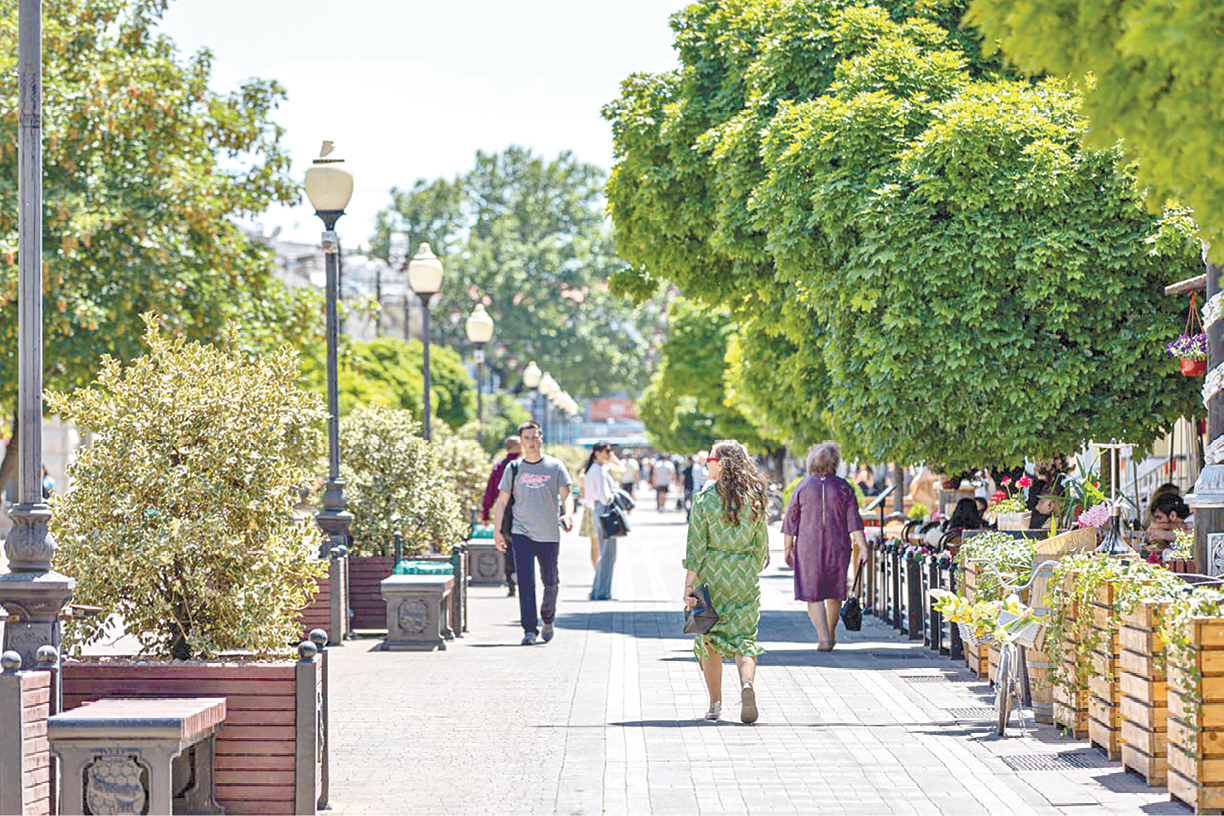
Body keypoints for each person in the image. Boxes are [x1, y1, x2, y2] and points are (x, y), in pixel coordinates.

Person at [683, 440, 770, 723]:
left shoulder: (704, 500)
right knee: (745, 639)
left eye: (711, 458)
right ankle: (747, 684)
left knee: (708, 638)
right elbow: (761, 547)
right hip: (743, 572)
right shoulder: (754, 499)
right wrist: (748, 568)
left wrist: (688, 586)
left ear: (721, 463)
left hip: (710, 574)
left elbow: (695, 547)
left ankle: (715, 704)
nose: (707, 462)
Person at [492, 422, 574, 645]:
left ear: (541, 438)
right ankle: (529, 629)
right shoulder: (514, 468)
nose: (530, 441)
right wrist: (497, 531)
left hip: (548, 533)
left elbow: (567, 495)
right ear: (521, 441)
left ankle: (547, 618)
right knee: (525, 582)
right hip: (521, 533)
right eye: (526, 438)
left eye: (534, 437)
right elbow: (502, 502)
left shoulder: (555, 466)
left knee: (550, 581)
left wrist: (568, 514)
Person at [782, 441, 867, 652]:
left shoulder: (802, 486)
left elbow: (790, 521)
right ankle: (830, 633)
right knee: (835, 589)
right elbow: (853, 522)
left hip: (807, 547)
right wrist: (863, 547)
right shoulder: (844, 487)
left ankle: (823, 638)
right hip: (838, 545)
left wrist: (787, 548)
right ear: (834, 462)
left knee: (813, 593)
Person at [482, 435, 522, 596]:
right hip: (523, 510)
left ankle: (511, 582)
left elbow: (490, 492)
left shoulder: (499, 467)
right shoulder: (526, 465)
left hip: (505, 510)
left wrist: (485, 514)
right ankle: (522, 574)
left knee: (507, 546)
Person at [584, 442, 620, 601]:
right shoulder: (598, 470)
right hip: (604, 510)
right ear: (597, 453)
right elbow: (605, 497)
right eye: (606, 451)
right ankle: (602, 592)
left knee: (605, 553)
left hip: (597, 511)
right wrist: (616, 495)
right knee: (608, 554)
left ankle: (598, 591)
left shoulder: (595, 469)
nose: (609, 454)